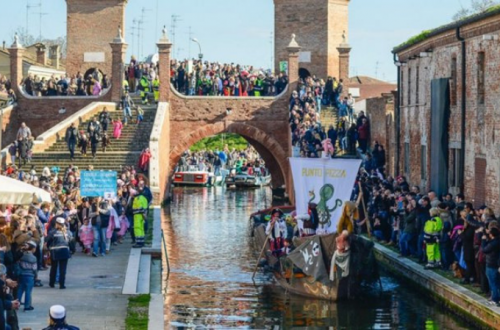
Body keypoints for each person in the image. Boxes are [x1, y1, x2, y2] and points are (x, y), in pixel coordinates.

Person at [46, 218, 72, 289]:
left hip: (55, 252)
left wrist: (48, 248)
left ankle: (51, 283)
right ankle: (62, 284)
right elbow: (71, 241)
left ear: (56, 224)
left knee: (54, 268)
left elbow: (47, 240)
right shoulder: (68, 232)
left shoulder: (53, 232)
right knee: (63, 269)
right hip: (65, 251)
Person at [17, 240, 37, 311]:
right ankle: (27, 306)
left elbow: (19, 265)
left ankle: (17, 303)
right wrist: (35, 275)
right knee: (28, 291)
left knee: (20, 290)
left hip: (22, 274)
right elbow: (34, 268)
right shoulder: (34, 258)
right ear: (33, 248)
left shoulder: (22, 256)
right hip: (30, 275)